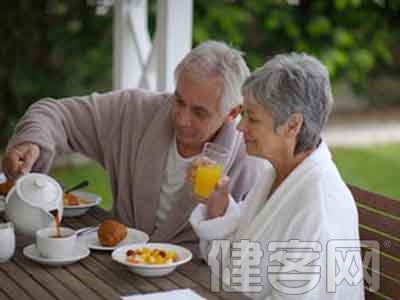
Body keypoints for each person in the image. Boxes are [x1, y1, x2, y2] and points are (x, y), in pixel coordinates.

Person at [2, 41, 267, 254]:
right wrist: (32, 141)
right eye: (179, 100)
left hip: (191, 283)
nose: (182, 118)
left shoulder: (251, 162)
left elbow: (245, 254)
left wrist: (218, 207)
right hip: (113, 264)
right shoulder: (133, 111)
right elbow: (54, 112)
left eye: (199, 112)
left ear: (232, 112)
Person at [188, 53, 364, 299]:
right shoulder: (277, 175)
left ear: (292, 126)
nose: (240, 126)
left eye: (252, 117)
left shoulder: (320, 209)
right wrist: (218, 202)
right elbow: (237, 268)